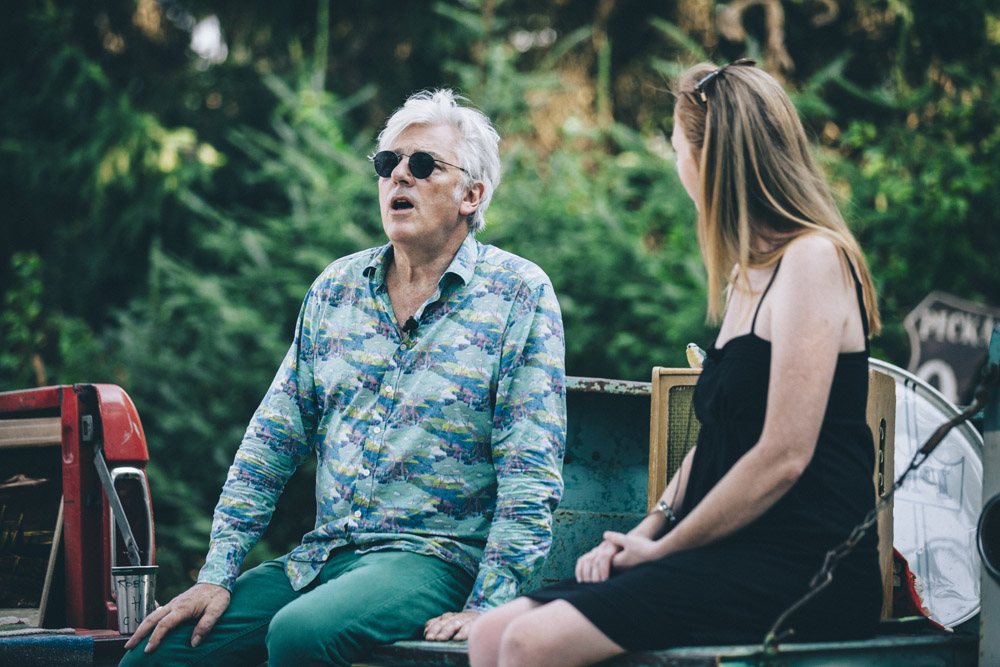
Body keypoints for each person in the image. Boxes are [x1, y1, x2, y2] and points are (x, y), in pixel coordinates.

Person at [120, 89, 566, 667]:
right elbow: (270, 443)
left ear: (471, 195)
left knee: (300, 634)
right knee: (156, 654)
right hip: (324, 557)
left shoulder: (518, 293)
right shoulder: (336, 289)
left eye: (423, 164)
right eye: (388, 163)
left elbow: (531, 471)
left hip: (436, 559)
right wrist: (217, 573)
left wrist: (491, 603)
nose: (399, 175)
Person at [468, 60, 884, 667]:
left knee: (530, 643)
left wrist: (667, 551)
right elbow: (718, 441)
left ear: (710, 158)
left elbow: (783, 456)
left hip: (804, 565)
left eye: (676, 147)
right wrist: (642, 534)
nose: (675, 162)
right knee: (489, 635)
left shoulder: (813, 260)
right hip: (725, 554)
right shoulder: (748, 275)